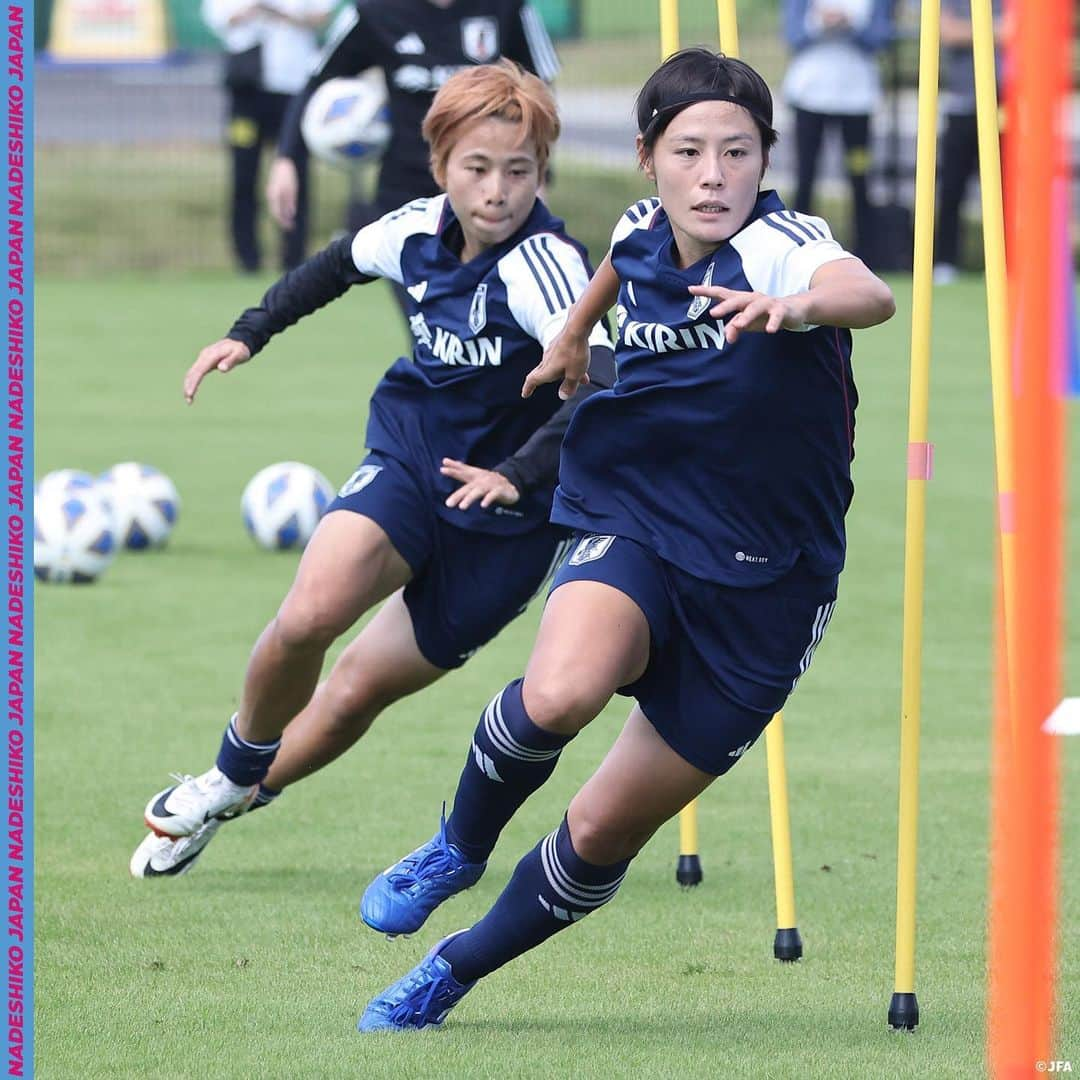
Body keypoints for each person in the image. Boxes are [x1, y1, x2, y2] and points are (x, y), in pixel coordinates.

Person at [354, 47, 895, 1033]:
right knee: (560, 689)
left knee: (600, 829)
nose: (714, 174)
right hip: (637, 514)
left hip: (768, 584)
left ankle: (455, 968)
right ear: (648, 156)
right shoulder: (647, 224)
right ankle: (456, 847)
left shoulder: (781, 246)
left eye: (738, 152)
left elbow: (867, 290)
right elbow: (618, 260)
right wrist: (569, 336)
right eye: (689, 151)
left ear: (765, 159)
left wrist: (801, 303)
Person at [130, 61, 614, 878]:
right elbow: (334, 266)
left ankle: (235, 799)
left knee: (357, 688)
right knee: (311, 611)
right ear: (440, 166)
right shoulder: (414, 229)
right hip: (412, 454)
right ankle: (231, 767)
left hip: (509, 522)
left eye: (518, 171)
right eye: (477, 168)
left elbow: (605, 385)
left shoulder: (548, 269)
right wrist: (248, 332)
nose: (496, 191)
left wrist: (519, 473)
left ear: (543, 172)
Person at [267, 0, 560, 317]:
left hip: (489, 195)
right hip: (405, 195)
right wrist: (286, 160)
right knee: (432, 326)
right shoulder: (374, 11)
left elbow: (541, 91)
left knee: (497, 323)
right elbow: (317, 82)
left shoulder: (507, 7)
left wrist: (541, 174)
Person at [202, 0, 335, 272]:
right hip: (248, 89)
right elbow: (222, 19)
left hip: (293, 87)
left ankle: (294, 257)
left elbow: (321, 17)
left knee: (296, 172)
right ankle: (247, 258)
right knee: (243, 173)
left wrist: (278, 13)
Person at [781, 0, 894, 265]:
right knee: (806, 175)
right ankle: (796, 252)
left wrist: (850, 25)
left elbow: (880, 37)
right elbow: (793, 34)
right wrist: (821, 23)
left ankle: (866, 253)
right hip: (809, 96)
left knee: (859, 177)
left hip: (857, 99)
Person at [933, 0, 1005, 285]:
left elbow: (1024, 33)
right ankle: (946, 260)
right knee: (952, 187)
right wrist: (996, 31)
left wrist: (972, 32)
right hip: (963, 103)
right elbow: (948, 32)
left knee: (1005, 188)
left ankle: (1005, 261)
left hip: (1007, 102)